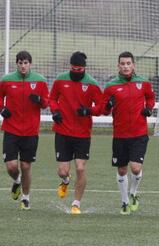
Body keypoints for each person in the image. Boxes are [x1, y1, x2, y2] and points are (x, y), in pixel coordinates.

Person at [49, 51, 104, 215]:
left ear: (84, 69)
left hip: (82, 134)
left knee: (80, 168)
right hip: (62, 131)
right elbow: (52, 99)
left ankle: (76, 203)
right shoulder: (60, 80)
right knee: (63, 171)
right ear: (70, 66)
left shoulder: (92, 84)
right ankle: (65, 181)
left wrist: (88, 111)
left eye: (80, 69)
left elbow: (101, 107)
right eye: (74, 68)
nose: (76, 72)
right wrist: (55, 111)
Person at [0, 50, 49, 210]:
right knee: (11, 166)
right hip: (11, 129)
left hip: (31, 131)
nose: (23, 66)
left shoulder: (40, 81)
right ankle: (17, 180)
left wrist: (39, 100)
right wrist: (1, 108)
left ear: (30, 64)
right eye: (20, 63)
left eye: (26, 63)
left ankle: (25, 198)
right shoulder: (7, 80)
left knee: (26, 166)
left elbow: (47, 102)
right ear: (16, 64)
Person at [103, 51, 155, 215]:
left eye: (128, 63)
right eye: (122, 64)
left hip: (139, 133)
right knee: (122, 170)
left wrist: (148, 109)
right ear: (118, 66)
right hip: (119, 135)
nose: (125, 66)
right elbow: (104, 110)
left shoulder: (143, 83)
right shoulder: (111, 86)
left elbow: (151, 99)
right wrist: (108, 105)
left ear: (133, 65)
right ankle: (124, 202)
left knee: (135, 168)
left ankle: (133, 193)